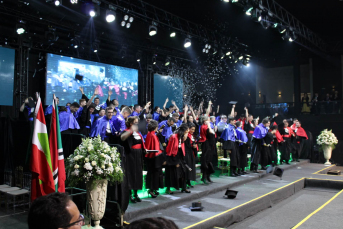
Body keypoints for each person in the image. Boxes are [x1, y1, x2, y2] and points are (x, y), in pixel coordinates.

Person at [120, 116, 145, 203]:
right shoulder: (126, 131)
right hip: (131, 156)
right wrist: (131, 130)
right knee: (131, 174)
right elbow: (122, 138)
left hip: (138, 155)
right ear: (131, 123)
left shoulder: (138, 133)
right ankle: (130, 195)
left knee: (138, 173)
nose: (137, 124)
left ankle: (136, 193)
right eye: (136, 122)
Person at [165, 123, 191, 194]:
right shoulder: (174, 137)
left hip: (180, 155)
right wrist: (174, 161)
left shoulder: (182, 137)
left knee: (183, 172)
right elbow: (170, 149)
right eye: (186, 131)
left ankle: (183, 187)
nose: (187, 132)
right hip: (172, 156)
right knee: (171, 173)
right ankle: (168, 188)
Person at [145, 120, 165, 198]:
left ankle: (153, 189)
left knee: (152, 174)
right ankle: (151, 190)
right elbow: (156, 149)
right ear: (155, 127)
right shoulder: (153, 135)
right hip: (154, 158)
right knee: (154, 174)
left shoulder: (150, 134)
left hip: (150, 157)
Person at [198, 114, 215, 183]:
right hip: (206, 145)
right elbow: (212, 133)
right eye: (208, 119)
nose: (209, 120)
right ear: (205, 121)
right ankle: (204, 177)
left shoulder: (205, 126)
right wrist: (209, 125)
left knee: (209, 160)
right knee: (206, 161)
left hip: (209, 145)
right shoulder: (204, 127)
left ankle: (207, 176)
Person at [184, 123, 198, 188]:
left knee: (191, 168)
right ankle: (186, 182)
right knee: (187, 168)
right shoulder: (186, 136)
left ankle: (188, 181)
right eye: (192, 129)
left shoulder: (192, 136)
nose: (193, 131)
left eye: (194, 129)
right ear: (188, 129)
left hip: (191, 153)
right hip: (187, 153)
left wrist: (194, 146)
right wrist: (193, 146)